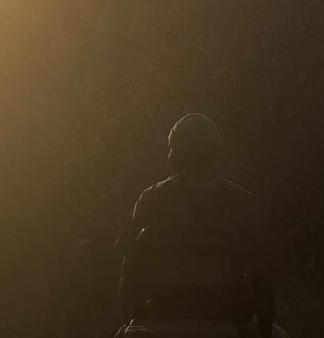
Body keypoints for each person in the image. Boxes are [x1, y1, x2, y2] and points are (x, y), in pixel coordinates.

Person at [116, 113, 280, 338]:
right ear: (215, 155)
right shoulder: (241, 203)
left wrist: (131, 321)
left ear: (177, 156)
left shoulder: (150, 200)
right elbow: (262, 278)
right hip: (228, 323)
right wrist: (263, 329)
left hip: (158, 320)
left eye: (171, 149)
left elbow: (127, 272)